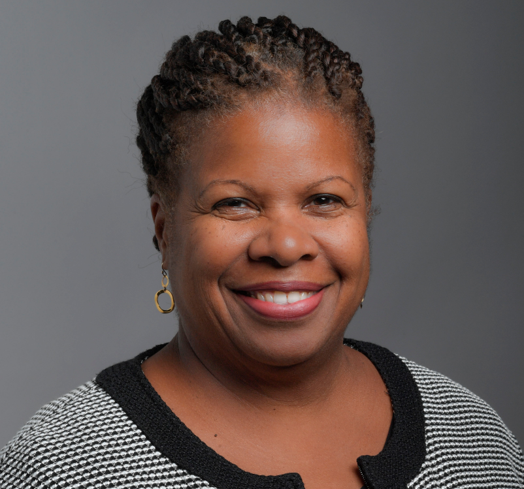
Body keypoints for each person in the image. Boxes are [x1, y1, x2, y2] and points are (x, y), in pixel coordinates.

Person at [0, 15, 522, 489]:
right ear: (164, 229)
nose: (286, 245)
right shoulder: (63, 467)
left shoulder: (473, 440)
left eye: (324, 200)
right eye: (235, 203)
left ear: (364, 212)